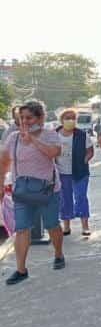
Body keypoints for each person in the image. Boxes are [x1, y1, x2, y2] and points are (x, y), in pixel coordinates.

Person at [0, 101, 64, 285]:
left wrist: (33, 139)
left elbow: (53, 153)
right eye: (22, 118)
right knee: (22, 229)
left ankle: (58, 254)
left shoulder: (50, 134)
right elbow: (4, 162)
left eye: (29, 118)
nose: (24, 122)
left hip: (48, 190)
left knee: (52, 224)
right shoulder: (13, 138)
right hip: (22, 191)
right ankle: (21, 269)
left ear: (40, 118)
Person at [55, 109, 93, 236]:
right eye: (67, 118)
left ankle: (85, 226)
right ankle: (66, 226)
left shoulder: (82, 135)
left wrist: (85, 159)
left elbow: (90, 150)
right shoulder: (54, 134)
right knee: (64, 199)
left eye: (72, 118)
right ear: (61, 120)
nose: (70, 120)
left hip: (80, 171)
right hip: (61, 172)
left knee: (81, 197)